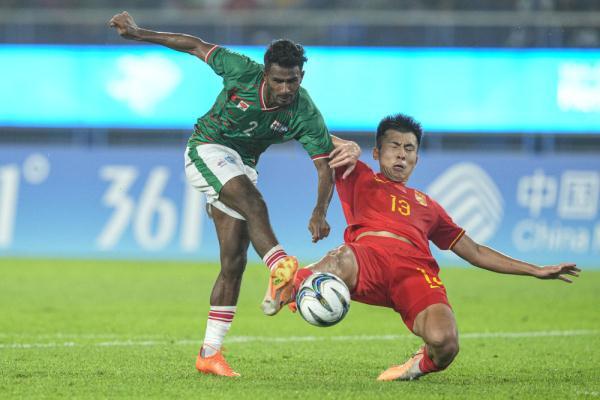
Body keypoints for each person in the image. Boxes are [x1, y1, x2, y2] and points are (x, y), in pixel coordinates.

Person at [108, 11, 360, 377]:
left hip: (242, 166)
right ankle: (281, 268)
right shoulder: (240, 69)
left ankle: (209, 353)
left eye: (292, 81)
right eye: (278, 81)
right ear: (265, 73)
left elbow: (324, 166)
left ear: (301, 77)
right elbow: (194, 45)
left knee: (234, 262)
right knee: (253, 202)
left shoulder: (304, 111)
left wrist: (319, 212)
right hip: (207, 148)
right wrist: (137, 33)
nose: (285, 89)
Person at [284, 113, 580, 381]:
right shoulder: (358, 175)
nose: (401, 154)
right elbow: (313, 134)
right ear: (377, 152)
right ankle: (290, 285)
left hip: (415, 274)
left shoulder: (429, 206)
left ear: (417, 158)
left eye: (409, 148)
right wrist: (347, 145)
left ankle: (417, 365)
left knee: (446, 342)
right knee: (342, 256)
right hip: (368, 262)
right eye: (394, 146)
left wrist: (535, 270)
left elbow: (475, 251)